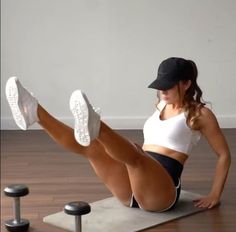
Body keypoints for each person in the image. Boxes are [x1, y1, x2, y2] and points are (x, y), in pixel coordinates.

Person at [5, 57, 231, 212]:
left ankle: (98, 125)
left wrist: (215, 194)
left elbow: (223, 155)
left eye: (169, 85)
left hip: (162, 192)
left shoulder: (200, 114)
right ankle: (36, 113)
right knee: (92, 148)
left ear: (187, 83)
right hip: (131, 191)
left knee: (135, 154)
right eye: (160, 85)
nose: (162, 90)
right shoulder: (160, 106)